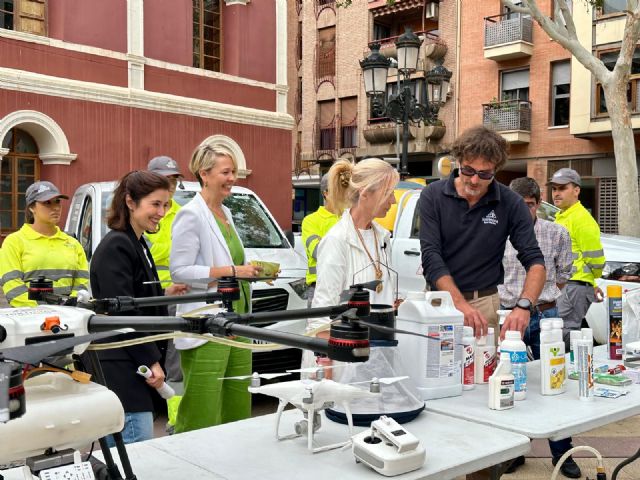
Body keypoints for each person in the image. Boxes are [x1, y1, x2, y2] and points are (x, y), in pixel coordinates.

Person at [419, 125, 546, 343]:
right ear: (458, 162)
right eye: (468, 170)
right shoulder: (433, 195)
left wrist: (524, 305)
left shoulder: (511, 202)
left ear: (496, 170)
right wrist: (459, 304)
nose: (475, 180)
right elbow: (431, 256)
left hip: (484, 304)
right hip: (440, 301)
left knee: (482, 374)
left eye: (484, 174)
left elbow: (535, 260)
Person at [170, 142, 261, 433]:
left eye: (234, 171)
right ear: (204, 174)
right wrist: (234, 271)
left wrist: (251, 273)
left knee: (237, 400)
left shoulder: (227, 214)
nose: (233, 178)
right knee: (202, 407)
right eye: (226, 172)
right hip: (207, 323)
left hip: (238, 321)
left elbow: (229, 261)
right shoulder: (192, 214)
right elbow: (180, 271)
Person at [90, 170, 186, 446]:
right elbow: (121, 311)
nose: (162, 212)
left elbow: (133, 295)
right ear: (130, 202)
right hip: (123, 369)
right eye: (155, 204)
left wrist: (164, 293)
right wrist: (150, 360)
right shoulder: (118, 245)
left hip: (131, 365)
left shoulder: (137, 242)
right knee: (135, 453)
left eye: (165, 205)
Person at [498, 177, 580, 479]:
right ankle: (516, 451)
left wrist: (540, 299)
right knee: (512, 385)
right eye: (517, 206)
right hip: (508, 318)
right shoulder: (497, 235)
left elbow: (564, 273)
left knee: (554, 384)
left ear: (537, 203)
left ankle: (564, 452)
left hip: (546, 315)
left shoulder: (557, 233)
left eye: (529, 206)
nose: (523, 212)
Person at [144, 155, 188, 428]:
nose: (170, 184)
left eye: (173, 179)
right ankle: (140, 417)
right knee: (144, 358)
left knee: (174, 363)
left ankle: (175, 421)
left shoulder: (183, 213)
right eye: (164, 179)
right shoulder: (144, 214)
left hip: (177, 298)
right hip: (146, 298)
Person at [0, 181, 88, 307]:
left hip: (69, 319)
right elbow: (12, 287)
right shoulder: (14, 242)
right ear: (31, 207)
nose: (56, 207)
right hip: (29, 320)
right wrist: (42, 312)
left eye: (57, 201)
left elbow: (82, 284)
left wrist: (69, 308)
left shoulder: (73, 244)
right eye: (47, 203)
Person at [550, 168, 605, 344]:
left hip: (573, 286)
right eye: (554, 189)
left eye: (562, 188)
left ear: (576, 190)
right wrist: (591, 283)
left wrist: (588, 282)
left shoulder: (581, 219)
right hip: (566, 285)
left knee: (563, 334)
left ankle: (563, 370)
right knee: (557, 332)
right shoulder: (562, 216)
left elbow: (595, 259)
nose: (556, 193)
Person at [300, 173, 341, 307]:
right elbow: (319, 252)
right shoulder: (311, 221)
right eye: (338, 190)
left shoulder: (350, 218)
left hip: (346, 287)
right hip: (319, 288)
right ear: (326, 193)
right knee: (320, 328)